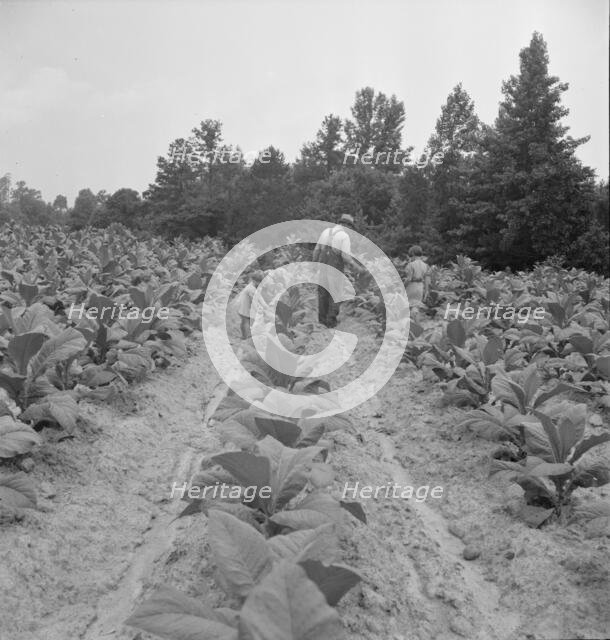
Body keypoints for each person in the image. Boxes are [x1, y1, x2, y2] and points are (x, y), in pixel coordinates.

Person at [312, 214, 365, 328]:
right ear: (346, 225)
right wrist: (357, 267)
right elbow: (346, 257)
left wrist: (313, 265)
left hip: (323, 267)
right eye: (351, 227)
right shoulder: (344, 236)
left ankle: (322, 320)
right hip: (335, 268)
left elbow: (316, 250)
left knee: (323, 293)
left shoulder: (326, 232)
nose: (351, 230)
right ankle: (331, 321)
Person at [237, 270, 265, 339]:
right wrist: (259, 310)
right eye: (259, 282)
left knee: (247, 321)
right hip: (244, 306)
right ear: (254, 280)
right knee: (245, 321)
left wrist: (265, 305)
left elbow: (259, 297)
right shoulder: (251, 289)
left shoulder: (253, 286)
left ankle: (247, 334)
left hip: (245, 304)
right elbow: (254, 302)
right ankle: (245, 336)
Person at [404, 245, 430, 317]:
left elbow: (409, 279)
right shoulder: (426, 265)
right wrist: (426, 291)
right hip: (420, 287)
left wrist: (403, 286)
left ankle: (416, 325)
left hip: (412, 286)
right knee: (415, 307)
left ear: (412, 253)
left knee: (411, 307)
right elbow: (427, 280)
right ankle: (416, 326)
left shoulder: (410, 265)